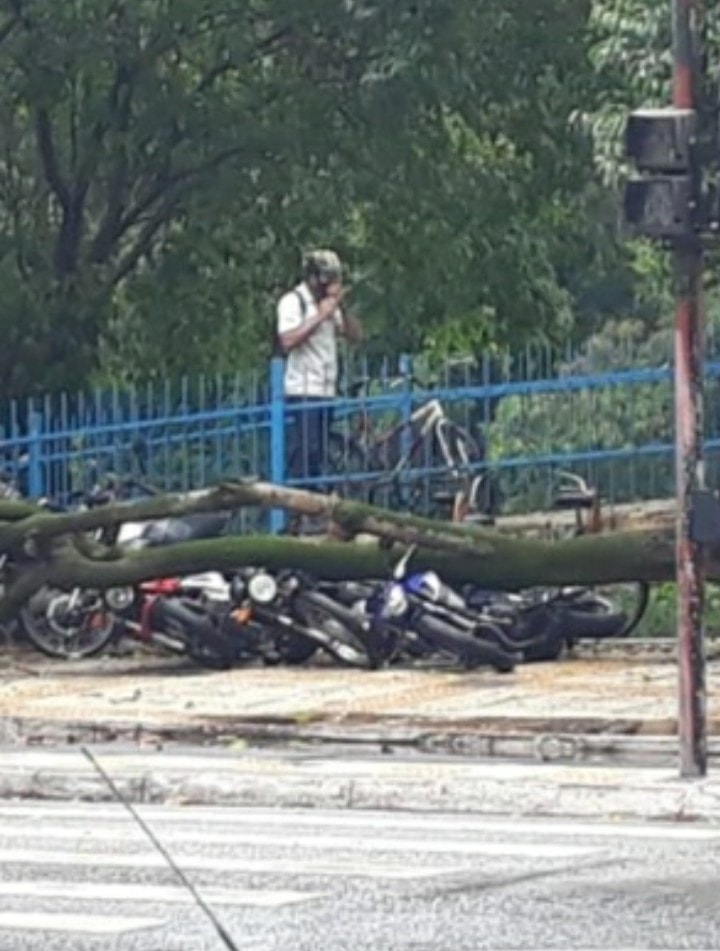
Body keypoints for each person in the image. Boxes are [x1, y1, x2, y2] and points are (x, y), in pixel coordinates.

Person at [276, 249, 363, 487]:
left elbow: (355, 335)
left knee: (319, 454)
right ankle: (299, 511)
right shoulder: (293, 302)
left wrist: (340, 306)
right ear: (313, 278)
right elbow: (287, 340)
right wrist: (319, 316)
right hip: (303, 390)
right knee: (305, 453)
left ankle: (315, 506)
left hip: (326, 389)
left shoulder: (330, 306)